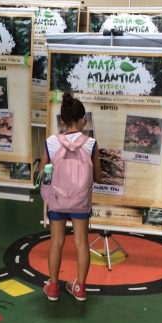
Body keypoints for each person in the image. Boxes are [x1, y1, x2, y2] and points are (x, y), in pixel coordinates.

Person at [39, 92, 102, 302]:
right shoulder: (91, 143)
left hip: (57, 200)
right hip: (81, 201)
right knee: (81, 243)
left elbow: (43, 173)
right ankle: (80, 288)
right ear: (83, 119)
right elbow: (98, 176)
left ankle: (54, 286)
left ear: (62, 120)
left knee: (56, 242)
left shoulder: (51, 142)